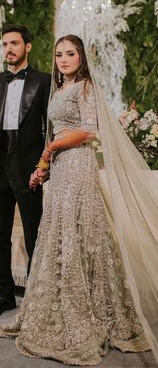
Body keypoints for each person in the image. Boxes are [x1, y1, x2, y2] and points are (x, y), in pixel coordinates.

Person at [0, 35, 158, 368]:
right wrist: (42, 166)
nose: (63, 59)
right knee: (60, 233)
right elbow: (52, 134)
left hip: (78, 165)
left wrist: (52, 150)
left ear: (81, 58)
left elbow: (89, 130)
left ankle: (91, 310)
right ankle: (60, 301)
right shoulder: (57, 90)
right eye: (59, 55)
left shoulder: (84, 88)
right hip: (60, 167)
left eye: (70, 54)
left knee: (79, 232)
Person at [0, 24, 51, 315]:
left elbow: (51, 127)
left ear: (27, 46)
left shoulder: (44, 81)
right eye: (5, 44)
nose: (9, 49)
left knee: (35, 233)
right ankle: (4, 295)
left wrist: (44, 165)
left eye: (14, 43)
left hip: (28, 163)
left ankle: (36, 296)